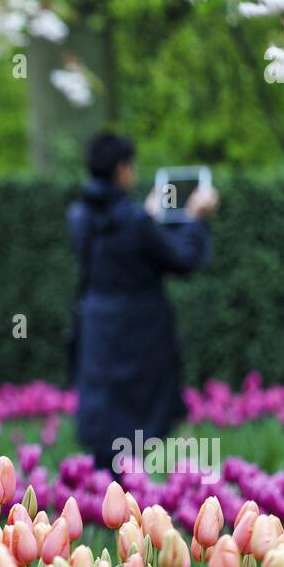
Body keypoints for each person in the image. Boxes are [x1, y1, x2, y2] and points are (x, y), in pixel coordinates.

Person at [66, 132, 219, 473]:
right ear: (122, 169)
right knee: (139, 418)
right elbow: (182, 259)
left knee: (106, 414)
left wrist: (147, 218)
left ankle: (105, 492)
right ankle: (131, 500)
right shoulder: (135, 221)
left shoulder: (79, 217)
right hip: (140, 332)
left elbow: (121, 243)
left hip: (97, 328)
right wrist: (197, 218)